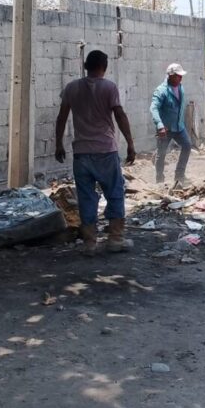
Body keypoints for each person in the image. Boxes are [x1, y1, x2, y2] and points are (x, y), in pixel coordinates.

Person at [55, 50, 137, 255]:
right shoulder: (109, 87)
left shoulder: (71, 88)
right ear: (105, 66)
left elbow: (62, 117)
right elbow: (119, 114)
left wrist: (58, 144)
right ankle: (115, 239)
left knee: (86, 197)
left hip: (81, 153)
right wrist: (130, 143)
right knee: (115, 193)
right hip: (105, 151)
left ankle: (90, 243)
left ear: (86, 66)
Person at [151, 63, 192, 186]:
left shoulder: (180, 87)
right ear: (170, 75)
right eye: (178, 76)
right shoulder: (161, 91)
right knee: (161, 154)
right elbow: (154, 108)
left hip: (179, 127)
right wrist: (159, 125)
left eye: (181, 76)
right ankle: (160, 180)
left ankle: (179, 176)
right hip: (165, 129)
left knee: (187, 146)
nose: (181, 78)